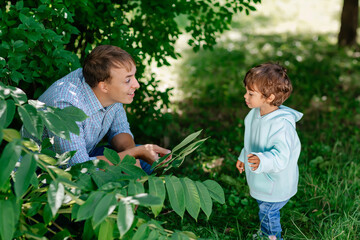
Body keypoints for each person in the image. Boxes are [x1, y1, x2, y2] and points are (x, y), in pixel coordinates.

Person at [22, 45, 170, 173]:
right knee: (126, 165)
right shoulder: (65, 104)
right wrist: (135, 153)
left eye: (134, 77)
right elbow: (78, 168)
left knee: (149, 161)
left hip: (84, 155)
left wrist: (135, 159)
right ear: (103, 86)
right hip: (43, 173)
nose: (136, 84)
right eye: (128, 80)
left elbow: (120, 130)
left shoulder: (105, 85)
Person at [235, 63, 303, 240]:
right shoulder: (254, 114)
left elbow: (281, 157)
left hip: (277, 181)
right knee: (263, 205)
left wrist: (262, 160)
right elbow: (251, 140)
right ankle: (267, 232)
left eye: (251, 93)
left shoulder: (281, 125)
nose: (245, 96)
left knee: (268, 211)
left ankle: (271, 236)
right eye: (246, 91)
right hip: (262, 178)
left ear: (269, 97)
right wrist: (244, 156)